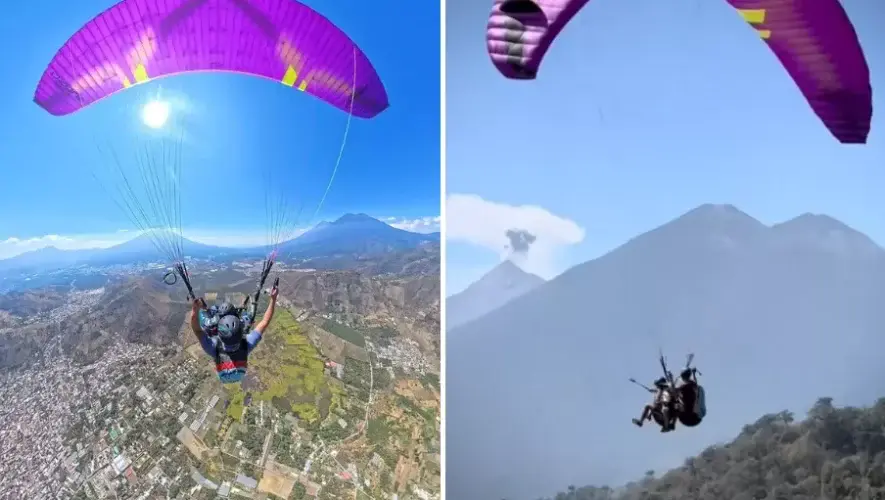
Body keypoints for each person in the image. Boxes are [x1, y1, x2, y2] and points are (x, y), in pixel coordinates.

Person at [189, 286, 279, 384]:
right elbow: (265, 321)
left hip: (227, 376)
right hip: (235, 374)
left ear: (218, 334)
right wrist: (273, 299)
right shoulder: (245, 344)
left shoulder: (214, 347)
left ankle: (206, 311)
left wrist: (195, 310)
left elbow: (197, 330)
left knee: (207, 327)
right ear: (241, 333)